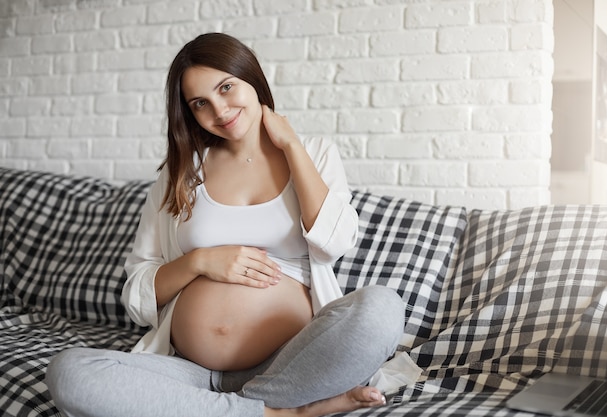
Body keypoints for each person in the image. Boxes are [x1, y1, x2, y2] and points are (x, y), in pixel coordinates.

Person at [46, 32, 405, 417]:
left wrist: (292, 147)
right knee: (69, 372)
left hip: (289, 366)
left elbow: (335, 242)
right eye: (201, 103)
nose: (219, 110)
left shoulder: (314, 152)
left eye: (226, 87)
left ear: (251, 78)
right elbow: (137, 294)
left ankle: (227, 409)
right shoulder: (180, 174)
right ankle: (281, 413)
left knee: (382, 308)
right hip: (188, 372)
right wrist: (200, 261)